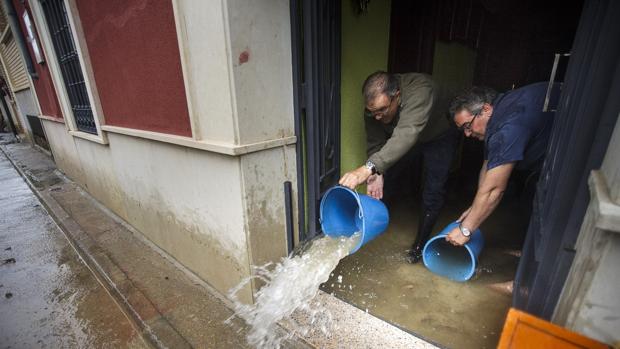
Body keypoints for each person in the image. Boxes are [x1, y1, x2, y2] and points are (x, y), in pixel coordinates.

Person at [339, 71, 459, 263]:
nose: (376, 116)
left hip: (438, 136)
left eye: (382, 110)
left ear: (397, 96)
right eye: (372, 112)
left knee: (433, 190)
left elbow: (406, 134)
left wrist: (366, 168)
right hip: (407, 138)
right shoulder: (373, 110)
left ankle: (420, 245)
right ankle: (378, 223)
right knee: (388, 176)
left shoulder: (421, 89)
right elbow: (375, 142)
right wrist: (376, 172)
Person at [445, 82, 558, 246]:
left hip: (570, 157)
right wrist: (477, 206)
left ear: (485, 110)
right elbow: (489, 164)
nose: (467, 134)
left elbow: (494, 190)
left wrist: (465, 230)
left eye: (468, 126)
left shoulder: (507, 127)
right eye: (463, 130)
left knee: (540, 208)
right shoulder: (504, 107)